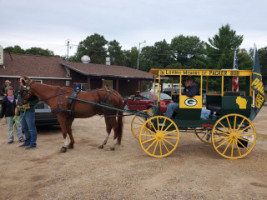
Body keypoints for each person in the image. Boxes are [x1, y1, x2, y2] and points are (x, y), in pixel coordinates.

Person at [17, 76, 39, 149]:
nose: (20, 81)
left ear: (26, 80)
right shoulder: (20, 89)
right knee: (24, 127)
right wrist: (17, 106)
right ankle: (27, 142)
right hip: (21, 111)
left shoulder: (31, 89)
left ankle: (33, 144)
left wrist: (29, 104)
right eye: (20, 80)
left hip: (29, 111)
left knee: (31, 128)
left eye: (22, 80)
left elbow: (36, 99)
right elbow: (18, 98)